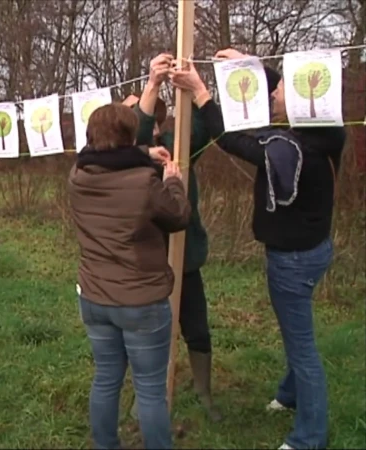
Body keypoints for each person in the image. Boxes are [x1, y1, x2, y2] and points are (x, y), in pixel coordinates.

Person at [170, 48, 346, 450]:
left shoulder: (292, 148)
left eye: (281, 86)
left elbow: (233, 142)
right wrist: (248, 65)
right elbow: (276, 102)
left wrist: (200, 92)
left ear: (300, 100)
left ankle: (309, 438)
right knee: (295, 331)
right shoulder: (329, 131)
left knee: (303, 350)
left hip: (293, 260)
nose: (275, 92)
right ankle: (289, 395)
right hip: (316, 249)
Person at [69, 102, 190, 449]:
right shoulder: (144, 181)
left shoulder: (77, 174)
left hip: (94, 298)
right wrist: (174, 183)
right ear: (130, 136)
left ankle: (106, 445)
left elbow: (91, 154)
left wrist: (142, 153)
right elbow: (178, 216)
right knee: (150, 390)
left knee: (106, 379)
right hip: (141, 302)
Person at [131, 53, 221, 421]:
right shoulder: (127, 157)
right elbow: (131, 136)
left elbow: (205, 127)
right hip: (145, 262)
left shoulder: (177, 143)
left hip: (185, 257)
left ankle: (202, 390)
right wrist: (151, 83)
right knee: (145, 333)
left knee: (196, 326)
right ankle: (145, 395)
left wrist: (196, 86)